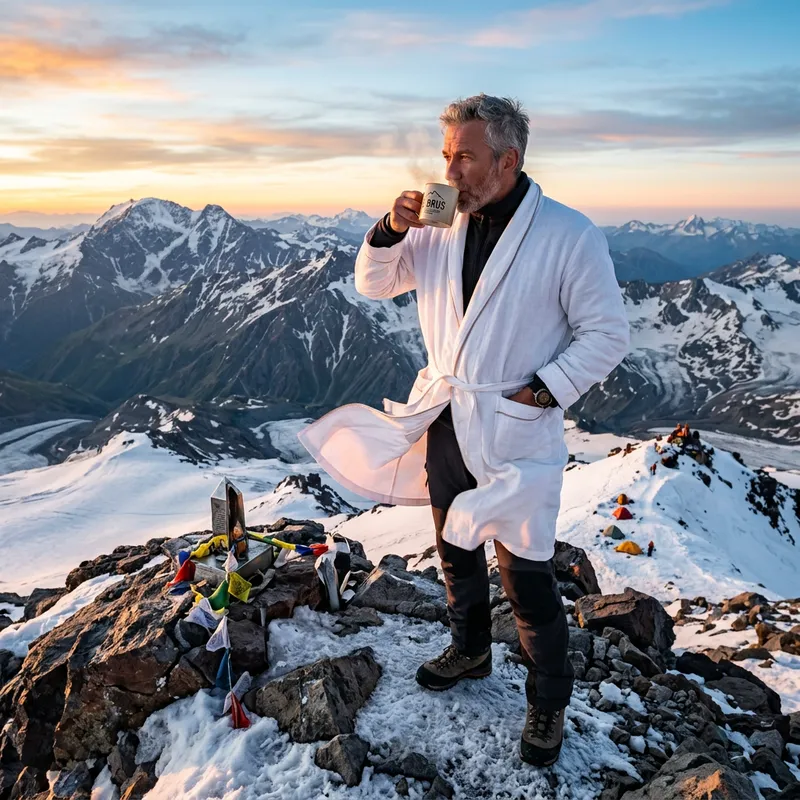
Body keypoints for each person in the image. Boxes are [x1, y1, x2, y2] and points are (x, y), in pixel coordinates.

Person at [298, 94, 630, 767]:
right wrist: (391, 229)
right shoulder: (439, 219)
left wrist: (542, 391)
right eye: (446, 155)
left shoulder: (568, 235)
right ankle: (471, 648)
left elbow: (607, 334)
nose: (449, 171)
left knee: (526, 573)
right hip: (448, 414)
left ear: (508, 160)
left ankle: (548, 700)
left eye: (465, 158)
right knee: (454, 545)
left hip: (514, 426)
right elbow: (374, 284)